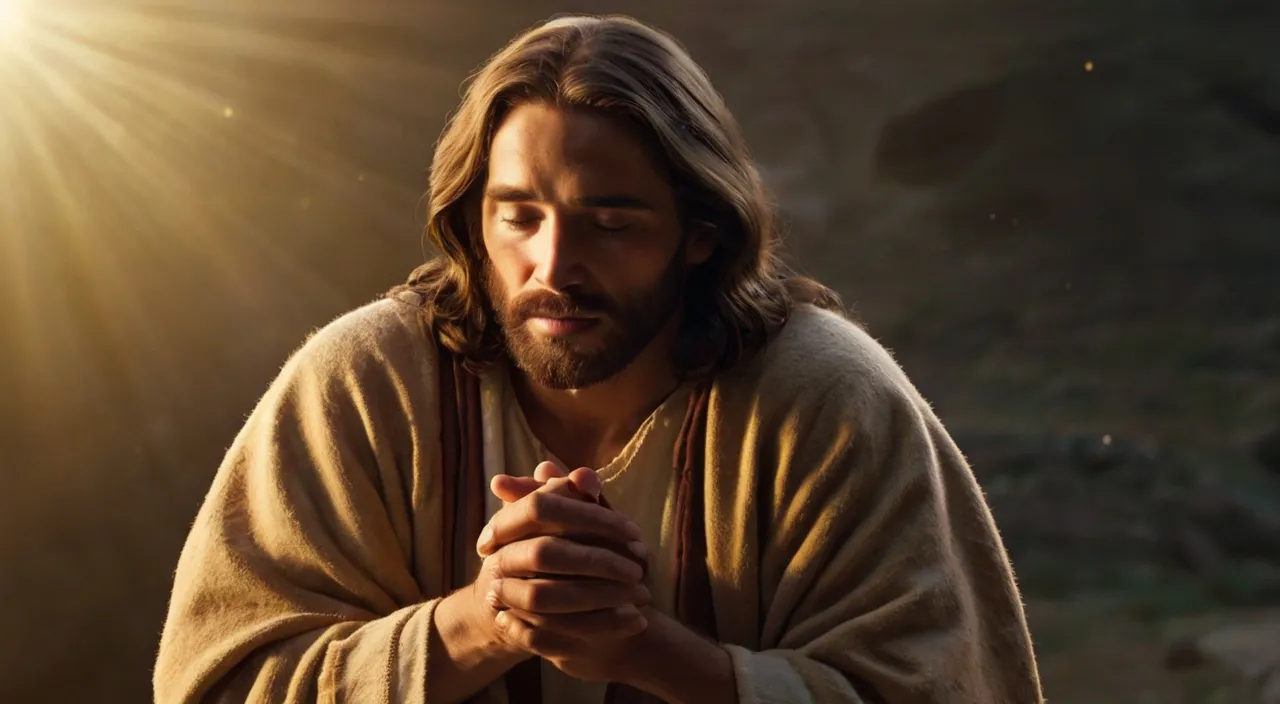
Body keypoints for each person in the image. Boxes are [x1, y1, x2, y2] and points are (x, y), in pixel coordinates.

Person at [154, 13, 1043, 704]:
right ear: (473, 218)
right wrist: (485, 621)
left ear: (700, 233)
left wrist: (648, 651)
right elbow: (216, 681)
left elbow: (933, 685)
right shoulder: (363, 385)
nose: (554, 267)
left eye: (611, 223)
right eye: (518, 215)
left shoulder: (826, 400)